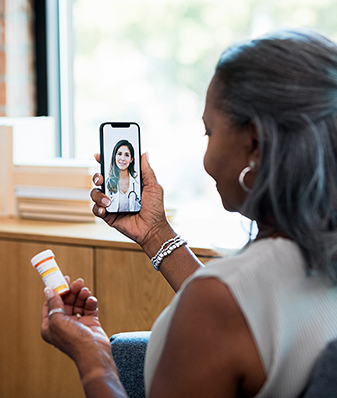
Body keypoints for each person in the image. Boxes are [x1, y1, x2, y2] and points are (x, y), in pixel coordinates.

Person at [41, 28, 337, 398]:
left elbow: (233, 306)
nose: (207, 156)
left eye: (208, 132)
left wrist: (95, 357)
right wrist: (155, 234)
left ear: (255, 144)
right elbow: (253, 313)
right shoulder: (276, 280)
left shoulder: (215, 303)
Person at [106, 139, 141, 212]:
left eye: (127, 155)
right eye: (119, 154)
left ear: (131, 159)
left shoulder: (138, 183)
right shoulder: (108, 183)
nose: (122, 158)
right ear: (114, 156)